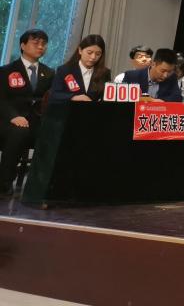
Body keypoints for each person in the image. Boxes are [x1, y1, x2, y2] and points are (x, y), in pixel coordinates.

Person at [0, 29, 55, 195]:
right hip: (8, 120)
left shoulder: (49, 73)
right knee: (19, 131)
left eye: (44, 44)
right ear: (23, 45)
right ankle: (4, 182)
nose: (41, 47)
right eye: (36, 43)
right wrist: (13, 116)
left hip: (36, 122)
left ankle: (42, 187)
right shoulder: (6, 70)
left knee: (54, 134)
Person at [50, 34, 111, 103]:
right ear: (80, 50)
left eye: (98, 54)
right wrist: (73, 97)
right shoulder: (64, 70)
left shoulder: (105, 73)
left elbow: (106, 99)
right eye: (89, 53)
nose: (93, 57)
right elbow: (55, 95)